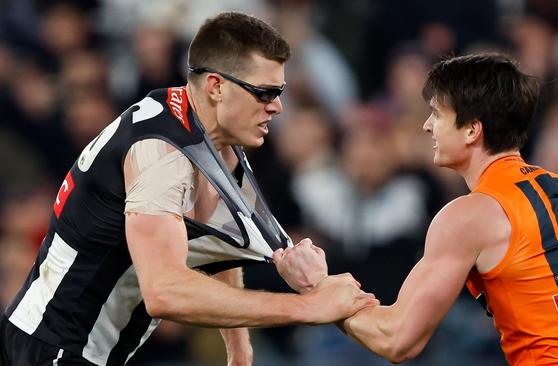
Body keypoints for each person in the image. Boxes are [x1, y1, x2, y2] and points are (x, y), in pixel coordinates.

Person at [0, 12, 377, 366]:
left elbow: (212, 239)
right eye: (264, 92)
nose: (277, 106)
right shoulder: (161, 155)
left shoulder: (195, 125)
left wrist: (239, 350)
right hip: (52, 350)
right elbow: (165, 292)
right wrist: (307, 309)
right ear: (216, 87)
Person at [275, 54, 558, 365]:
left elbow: (396, 339)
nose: (426, 126)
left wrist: (319, 287)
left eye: (436, 114)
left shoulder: (469, 216)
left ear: (472, 129)